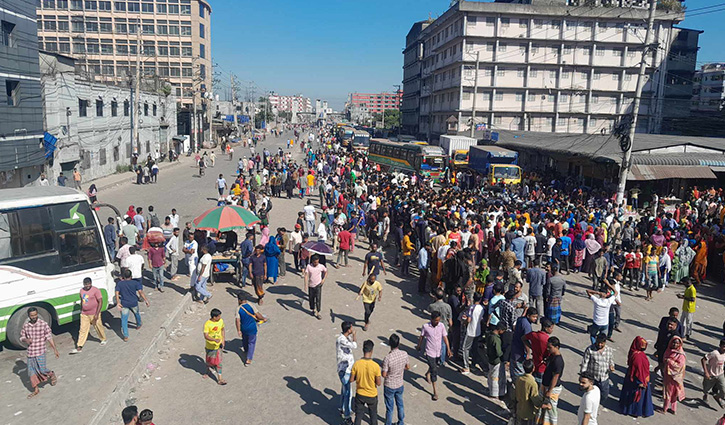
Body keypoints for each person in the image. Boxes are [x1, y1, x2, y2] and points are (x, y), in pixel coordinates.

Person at [21, 307, 59, 398]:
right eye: (32, 315)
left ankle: (51, 374)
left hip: (40, 351)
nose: (34, 317)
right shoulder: (26, 326)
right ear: (29, 316)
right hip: (31, 352)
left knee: (42, 369)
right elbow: (21, 337)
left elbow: (49, 337)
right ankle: (36, 389)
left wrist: (55, 349)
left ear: (37, 314)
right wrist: (26, 339)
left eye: (35, 315)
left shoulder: (43, 324)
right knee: (31, 372)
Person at [417, 311, 450, 401]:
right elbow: (422, 336)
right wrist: (419, 346)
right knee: (434, 370)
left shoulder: (441, 326)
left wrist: (448, 349)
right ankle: (435, 392)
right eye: (436, 320)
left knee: (434, 366)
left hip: (438, 352)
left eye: (438, 320)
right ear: (431, 319)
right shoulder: (426, 327)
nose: (437, 322)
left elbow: (445, 337)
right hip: (429, 352)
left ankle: (427, 373)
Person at [619, 336, 654, 418]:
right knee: (637, 396)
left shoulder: (635, 353)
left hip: (636, 378)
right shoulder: (638, 356)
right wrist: (640, 381)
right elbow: (638, 370)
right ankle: (635, 411)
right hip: (639, 379)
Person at [70, 277, 107, 354]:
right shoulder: (81, 291)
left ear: (91, 283)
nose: (87, 286)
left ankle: (103, 338)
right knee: (82, 329)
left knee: (98, 326)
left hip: (94, 313)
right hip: (84, 314)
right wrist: (81, 310)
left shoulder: (96, 290)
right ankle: (79, 346)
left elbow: (100, 301)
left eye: (88, 284)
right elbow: (82, 300)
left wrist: (97, 313)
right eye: (85, 284)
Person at [350, 340, 382, 425]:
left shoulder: (357, 364)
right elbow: (378, 383)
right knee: (373, 416)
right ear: (371, 351)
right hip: (372, 395)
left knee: (358, 416)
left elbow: (351, 379)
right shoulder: (375, 366)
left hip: (360, 394)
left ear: (363, 350)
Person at [382, 333, 409, 425]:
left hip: (389, 385)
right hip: (399, 383)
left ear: (390, 344)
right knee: (400, 404)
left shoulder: (387, 358)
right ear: (399, 343)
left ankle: (388, 423)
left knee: (390, 408)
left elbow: (384, 374)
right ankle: (401, 422)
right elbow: (407, 367)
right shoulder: (404, 354)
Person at [115, 268, 149, 341]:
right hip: (133, 302)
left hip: (124, 303)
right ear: (131, 276)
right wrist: (146, 300)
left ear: (123, 276)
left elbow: (117, 293)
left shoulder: (120, 284)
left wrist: (118, 302)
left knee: (124, 319)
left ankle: (126, 335)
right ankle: (139, 324)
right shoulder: (135, 283)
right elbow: (140, 292)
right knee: (136, 314)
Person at [580, 333, 614, 401]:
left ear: (605, 342)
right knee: (590, 395)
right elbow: (585, 363)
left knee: (604, 395)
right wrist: (583, 376)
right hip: (593, 378)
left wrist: (612, 366)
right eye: (598, 342)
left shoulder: (609, 350)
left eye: (602, 343)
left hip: (604, 378)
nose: (599, 345)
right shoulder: (590, 350)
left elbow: (611, 360)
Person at [538, 336, 564, 425]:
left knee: (550, 410)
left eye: (550, 347)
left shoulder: (558, 361)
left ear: (556, 347)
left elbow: (555, 377)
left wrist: (549, 390)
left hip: (552, 388)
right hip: (545, 385)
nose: (548, 349)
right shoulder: (552, 356)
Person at [336, 321, 358, 424]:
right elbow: (354, 345)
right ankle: (347, 416)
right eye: (351, 328)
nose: (352, 329)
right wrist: (354, 336)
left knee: (343, 390)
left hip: (347, 369)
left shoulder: (344, 338)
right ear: (348, 330)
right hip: (345, 370)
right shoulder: (342, 340)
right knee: (348, 393)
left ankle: (341, 407)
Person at [235, 293, 265, 366]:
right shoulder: (251, 305)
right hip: (252, 328)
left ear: (239, 300)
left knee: (245, 339)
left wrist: (238, 330)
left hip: (244, 328)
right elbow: (258, 315)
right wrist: (263, 318)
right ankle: (248, 359)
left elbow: (237, 321)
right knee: (251, 342)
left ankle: (246, 350)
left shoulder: (238, 309)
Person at [460, 293, 484, 375]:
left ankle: (466, 367)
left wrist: (464, 322)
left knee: (465, 348)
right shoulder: (481, 308)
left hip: (470, 331)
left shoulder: (472, 308)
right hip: (478, 331)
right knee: (474, 348)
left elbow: (469, 319)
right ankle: (473, 364)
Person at [525, 317, 555, 383]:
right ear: (545, 328)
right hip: (542, 367)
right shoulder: (547, 340)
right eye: (551, 328)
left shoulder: (534, 334)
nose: (552, 330)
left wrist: (531, 347)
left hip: (534, 363)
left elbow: (524, 338)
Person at [662, 335, 687, 414]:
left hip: (674, 377)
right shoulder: (669, 350)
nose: (675, 345)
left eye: (677, 343)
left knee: (670, 393)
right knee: (671, 393)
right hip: (668, 375)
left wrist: (669, 361)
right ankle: (673, 409)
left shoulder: (680, 354)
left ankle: (665, 409)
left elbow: (679, 366)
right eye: (673, 342)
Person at [486, 323, 508, 405]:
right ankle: (495, 394)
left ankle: (492, 392)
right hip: (497, 361)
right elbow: (498, 352)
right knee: (496, 378)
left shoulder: (490, 336)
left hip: (491, 360)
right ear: (500, 330)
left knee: (491, 376)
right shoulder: (496, 339)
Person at [203, 308, 226, 385]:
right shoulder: (207, 324)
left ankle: (220, 379)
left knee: (219, 363)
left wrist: (223, 340)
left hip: (218, 346)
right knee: (209, 361)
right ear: (214, 317)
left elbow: (222, 329)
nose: (220, 317)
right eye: (218, 316)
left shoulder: (221, 321)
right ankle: (208, 371)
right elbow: (206, 336)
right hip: (210, 347)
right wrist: (214, 340)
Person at [515, 359, 542, 425]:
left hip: (520, 408)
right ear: (533, 369)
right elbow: (535, 399)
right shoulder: (532, 383)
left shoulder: (519, 378)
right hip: (528, 412)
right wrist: (543, 404)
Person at [701, 339, 725, 408]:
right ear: (720, 346)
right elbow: (703, 359)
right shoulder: (714, 353)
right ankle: (705, 397)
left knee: (723, 390)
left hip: (720, 374)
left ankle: (717, 397)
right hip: (711, 374)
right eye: (723, 346)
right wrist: (706, 372)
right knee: (706, 389)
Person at [304, 254, 327, 320]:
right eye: (315, 262)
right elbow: (306, 275)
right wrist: (305, 285)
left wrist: (323, 279)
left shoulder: (321, 266)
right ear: (312, 261)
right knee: (311, 298)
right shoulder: (309, 266)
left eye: (317, 262)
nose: (316, 263)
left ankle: (318, 312)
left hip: (318, 285)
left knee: (318, 299)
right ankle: (313, 309)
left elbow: (326, 271)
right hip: (311, 285)